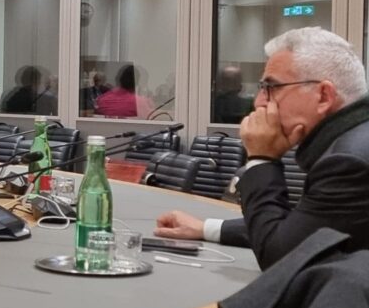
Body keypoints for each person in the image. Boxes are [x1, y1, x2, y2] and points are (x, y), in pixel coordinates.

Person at [154, 27, 369, 269]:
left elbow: (281, 256)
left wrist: (262, 159)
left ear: (323, 96)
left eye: (272, 88)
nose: (259, 102)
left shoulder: (349, 163)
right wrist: (206, 228)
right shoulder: (353, 140)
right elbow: (302, 227)